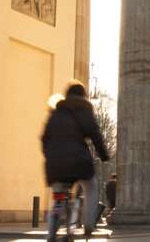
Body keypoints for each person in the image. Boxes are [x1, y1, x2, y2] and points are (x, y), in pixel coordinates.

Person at [41, 81, 110, 240]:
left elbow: (44, 139)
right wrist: (103, 155)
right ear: (83, 96)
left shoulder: (55, 114)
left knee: (58, 194)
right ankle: (88, 224)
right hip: (79, 162)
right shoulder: (84, 110)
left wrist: (50, 156)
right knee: (91, 186)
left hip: (54, 165)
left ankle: (52, 230)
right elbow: (95, 134)